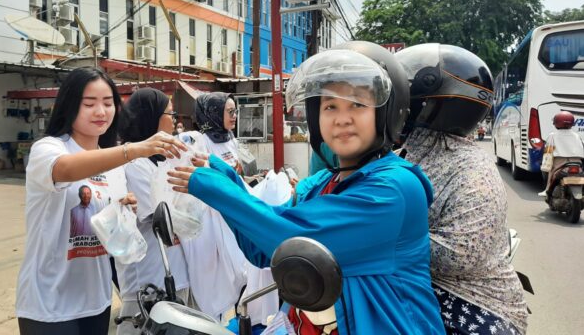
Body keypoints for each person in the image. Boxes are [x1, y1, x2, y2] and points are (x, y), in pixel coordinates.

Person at [168, 46, 444, 334]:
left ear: (387, 112)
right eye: (330, 106)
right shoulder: (325, 182)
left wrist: (213, 187)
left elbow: (287, 237)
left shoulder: (394, 189)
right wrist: (225, 176)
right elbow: (264, 249)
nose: (342, 118)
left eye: (358, 104)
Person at [16, 68, 185, 335]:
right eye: (89, 104)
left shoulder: (113, 164)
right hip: (48, 302)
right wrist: (134, 149)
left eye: (108, 103)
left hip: (95, 301)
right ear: (70, 106)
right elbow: (66, 169)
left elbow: (111, 231)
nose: (101, 112)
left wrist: (121, 213)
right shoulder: (48, 149)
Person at [395, 43, 528, 335]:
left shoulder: (471, 167)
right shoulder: (402, 151)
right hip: (411, 284)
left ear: (427, 103)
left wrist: (375, 232)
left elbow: (460, 255)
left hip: (475, 300)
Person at [178, 93, 276, 325]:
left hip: (235, 215)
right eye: (230, 112)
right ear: (213, 113)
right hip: (212, 222)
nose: (234, 117)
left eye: (235, 112)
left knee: (243, 273)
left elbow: (235, 173)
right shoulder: (198, 142)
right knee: (215, 279)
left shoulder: (230, 139)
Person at [114, 88, 194, 335]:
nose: (175, 120)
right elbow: (164, 215)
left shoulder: (162, 160)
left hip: (174, 274)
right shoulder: (132, 164)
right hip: (147, 281)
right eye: (170, 113)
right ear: (151, 118)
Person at [541, 111, 584, 197]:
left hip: (559, 162)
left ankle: (547, 190)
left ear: (556, 123)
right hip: (577, 162)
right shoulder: (577, 135)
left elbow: (548, 151)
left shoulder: (552, 135)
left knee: (549, 171)